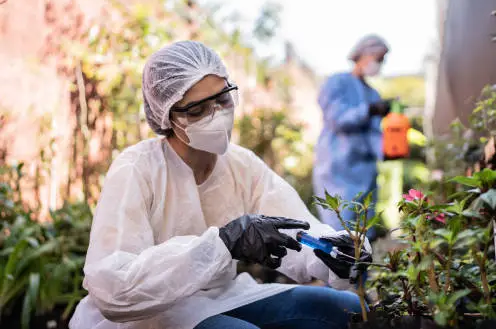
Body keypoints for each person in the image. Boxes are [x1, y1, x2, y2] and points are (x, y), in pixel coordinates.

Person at [69, 41, 372, 329]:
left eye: (223, 99)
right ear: (166, 115)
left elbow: (295, 227)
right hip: (148, 315)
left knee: (347, 310)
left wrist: (332, 251)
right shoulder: (137, 168)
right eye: (197, 110)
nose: (216, 114)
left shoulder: (241, 164)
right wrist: (223, 244)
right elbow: (114, 286)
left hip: (219, 299)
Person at [313, 34, 391, 240]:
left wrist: (387, 151)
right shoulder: (337, 82)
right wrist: (368, 110)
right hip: (337, 169)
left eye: (382, 60)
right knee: (341, 232)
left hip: (365, 172)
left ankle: (360, 274)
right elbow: (336, 119)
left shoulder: (373, 94)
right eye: (378, 58)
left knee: (363, 233)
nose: (379, 64)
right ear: (363, 54)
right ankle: (338, 273)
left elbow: (375, 134)